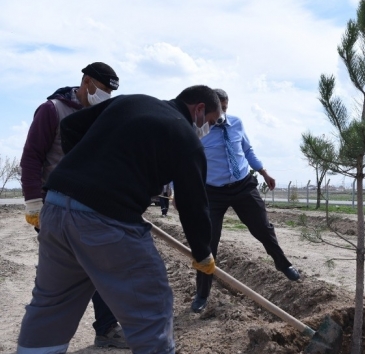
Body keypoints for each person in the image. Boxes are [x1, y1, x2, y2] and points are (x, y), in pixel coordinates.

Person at [17, 85, 222, 353]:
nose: (209, 129)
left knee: (52, 304)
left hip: (56, 207)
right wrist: (202, 253)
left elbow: (70, 127)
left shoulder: (131, 102)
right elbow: (193, 204)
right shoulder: (185, 138)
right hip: (104, 221)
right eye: (211, 122)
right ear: (199, 109)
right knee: (151, 303)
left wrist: (85, 171)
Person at [19, 62, 127, 348]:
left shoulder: (100, 114)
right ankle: (41, 338)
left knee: (102, 268)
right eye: (103, 90)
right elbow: (31, 157)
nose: (105, 96)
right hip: (54, 207)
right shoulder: (52, 110)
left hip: (90, 207)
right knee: (58, 276)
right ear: (87, 81)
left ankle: (106, 328)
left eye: (110, 93)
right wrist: (33, 203)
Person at [191, 88, 299, 314]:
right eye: (218, 109)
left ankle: (283, 263)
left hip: (242, 185)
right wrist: (177, 189)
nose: (221, 114)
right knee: (207, 243)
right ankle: (202, 293)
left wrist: (263, 172)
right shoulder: (197, 130)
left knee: (263, 227)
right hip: (212, 191)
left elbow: (247, 149)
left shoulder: (237, 123)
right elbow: (185, 159)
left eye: (225, 109)